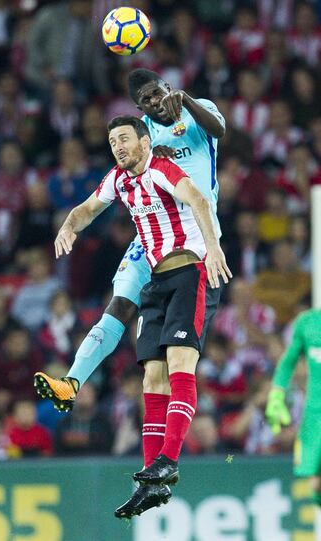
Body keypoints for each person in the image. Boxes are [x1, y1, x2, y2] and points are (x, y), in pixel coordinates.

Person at [35, 115, 231, 518]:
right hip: (156, 283)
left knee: (180, 365)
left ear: (144, 140)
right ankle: (149, 479)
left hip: (190, 273)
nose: (118, 147)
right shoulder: (119, 180)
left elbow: (196, 198)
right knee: (151, 379)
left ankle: (169, 462)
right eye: (112, 142)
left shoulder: (161, 167)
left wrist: (213, 248)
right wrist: (68, 227)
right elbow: (87, 208)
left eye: (124, 138)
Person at [34, 68, 226, 411]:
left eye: (157, 93)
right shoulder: (144, 135)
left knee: (174, 354)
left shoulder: (201, 109)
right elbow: (94, 202)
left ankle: (174, 432)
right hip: (151, 237)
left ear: (167, 87)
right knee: (119, 305)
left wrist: (187, 102)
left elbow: (219, 130)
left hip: (195, 233)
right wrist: (68, 226)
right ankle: (71, 383)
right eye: (145, 101)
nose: (155, 102)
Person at [265, 308, 321, 509]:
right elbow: (288, 362)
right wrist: (277, 395)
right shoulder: (308, 323)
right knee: (315, 483)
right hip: (315, 418)